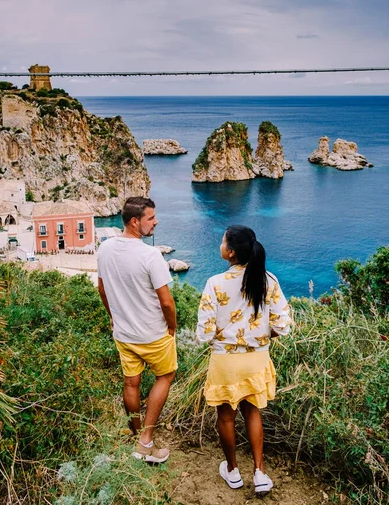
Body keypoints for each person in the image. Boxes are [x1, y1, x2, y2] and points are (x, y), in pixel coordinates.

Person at [196, 225, 292, 495]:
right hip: (256, 359)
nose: (220, 244)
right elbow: (283, 324)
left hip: (225, 361)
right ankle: (260, 473)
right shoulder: (268, 280)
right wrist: (262, 336)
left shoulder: (214, 283)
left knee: (226, 417)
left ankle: (233, 471)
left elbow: (203, 333)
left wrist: (221, 337)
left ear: (230, 253)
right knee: (253, 411)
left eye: (222, 241)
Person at [98, 196, 177, 464]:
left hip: (124, 333)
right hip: (153, 333)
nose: (156, 221)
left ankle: (135, 436)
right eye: (151, 218)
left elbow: (102, 289)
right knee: (165, 376)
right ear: (135, 222)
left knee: (131, 382)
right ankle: (146, 441)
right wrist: (172, 326)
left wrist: (113, 317)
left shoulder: (105, 249)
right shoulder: (150, 255)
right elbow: (166, 301)